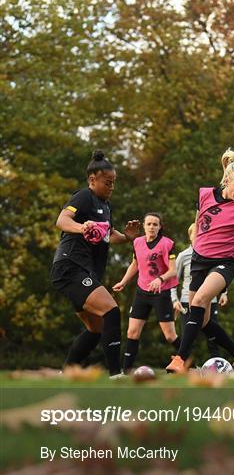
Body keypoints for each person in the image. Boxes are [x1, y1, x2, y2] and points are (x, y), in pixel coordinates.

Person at [166, 148, 234, 375]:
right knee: (201, 321)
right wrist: (198, 243)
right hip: (199, 260)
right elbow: (198, 221)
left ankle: (180, 359)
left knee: (199, 301)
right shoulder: (205, 195)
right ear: (227, 180)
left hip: (225, 263)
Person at [51, 150, 140, 378]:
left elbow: (109, 235)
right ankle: (116, 374)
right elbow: (62, 220)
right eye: (107, 183)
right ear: (93, 180)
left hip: (81, 271)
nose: (111, 187)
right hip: (70, 267)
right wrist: (81, 227)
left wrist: (127, 237)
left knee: (95, 328)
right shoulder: (83, 196)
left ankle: (66, 374)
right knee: (111, 310)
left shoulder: (106, 207)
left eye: (113, 183)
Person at [113, 212, 180, 370]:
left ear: (160, 227)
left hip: (161, 293)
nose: (151, 227)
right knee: (132, 332)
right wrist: (123, 282)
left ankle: (191, 364)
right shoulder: (137, 242)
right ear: (143, 226)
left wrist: (160, 279)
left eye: (155, 224)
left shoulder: (167, 244)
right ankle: (125, 371)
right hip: (142, 292)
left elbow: (173, 271)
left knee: (170, 336)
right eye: (148, 224)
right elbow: (135, 264)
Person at [171, 223, 229, 359]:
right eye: (195, 234)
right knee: (188, 335)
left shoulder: (214, 255)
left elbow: (221, 274)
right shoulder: (183, 256)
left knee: (211, 334)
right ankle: (185, 364)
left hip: (210, 300)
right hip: (187, 301)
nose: (198, 237)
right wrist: (175, 300)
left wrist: (224, 293)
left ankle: (217, 363)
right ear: (190, 236)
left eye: (201, 233)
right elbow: (174, 280)